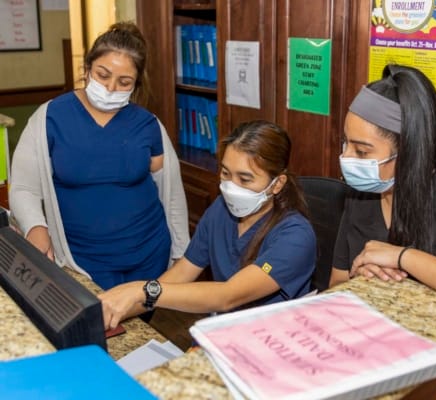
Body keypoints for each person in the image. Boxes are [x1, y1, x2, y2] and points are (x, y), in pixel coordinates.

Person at [329, 64, 436, 399]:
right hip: (383, 360)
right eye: (346, 144)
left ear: (408, 151)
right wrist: (364, 272)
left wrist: (404, 258)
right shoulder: (362, 196)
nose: (346, 158)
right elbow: (336, 283)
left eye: (361, 151)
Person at [9, 22, 190, 290]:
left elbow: (171, 194)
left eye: (124, 82)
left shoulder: (148, 125)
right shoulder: (50, 118)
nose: (110, 88)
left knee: (137, 329)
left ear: (135, 84)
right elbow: (24, 187)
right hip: (80, 260)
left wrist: (180, 254)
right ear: (87, 69)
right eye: (102, 75)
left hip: (148, 255)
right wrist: (36, 228)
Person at [99, 120, 316, 328]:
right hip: (220, 332)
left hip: (269, 343)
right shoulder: (221, 209)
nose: (232, 187)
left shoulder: (295, 236)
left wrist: (143, 290)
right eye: (225, 173)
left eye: (245, 179)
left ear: (277, 184)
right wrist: (113, 310)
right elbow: (184, 271)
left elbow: (227, 296)